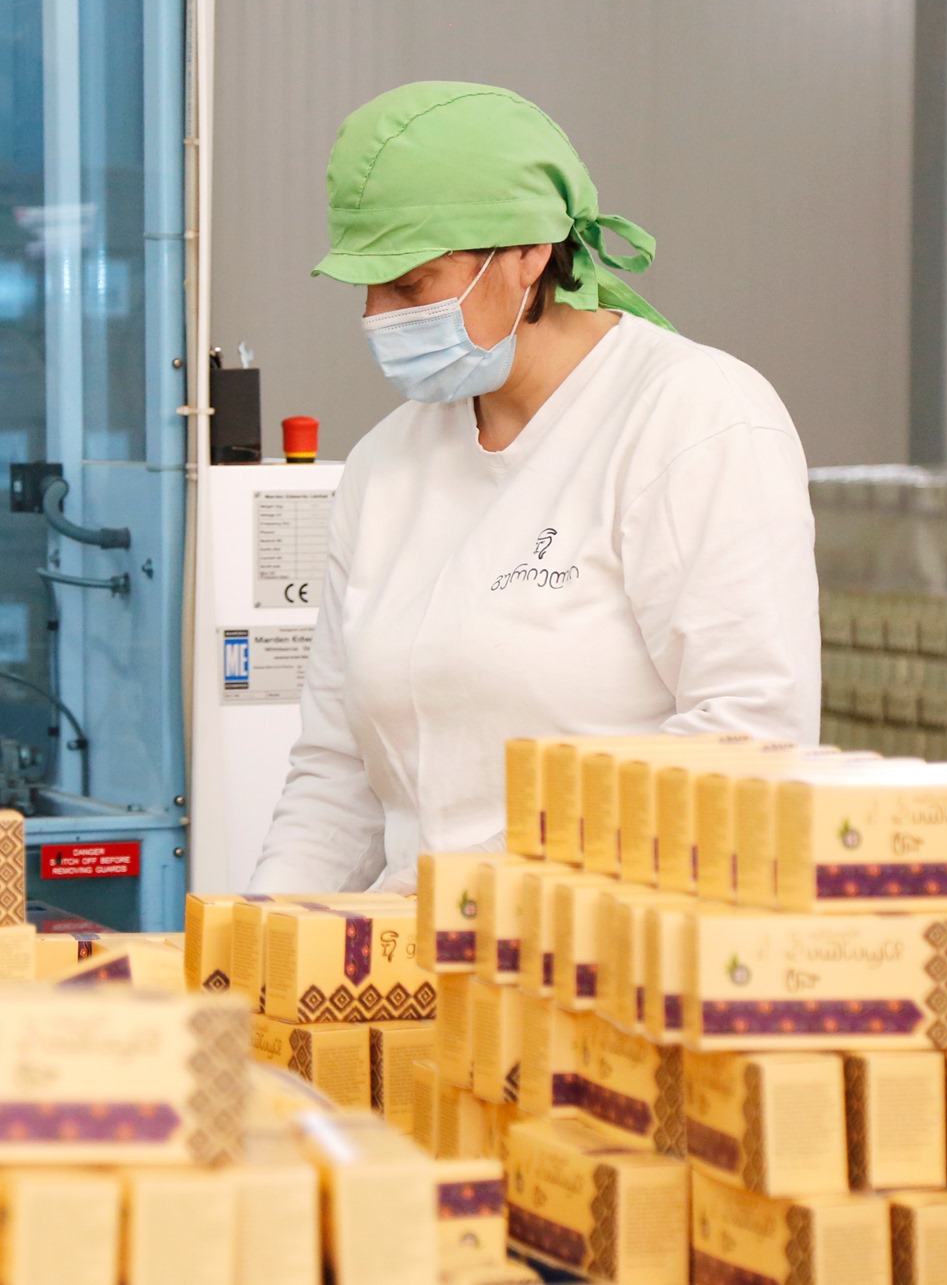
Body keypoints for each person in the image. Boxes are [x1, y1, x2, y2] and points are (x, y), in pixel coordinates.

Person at [248, 82, 820, 893]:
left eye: (410, 285)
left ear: (529, 253)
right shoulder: (385, 464)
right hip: (420, 950)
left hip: (604, 946)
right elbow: (336, 776)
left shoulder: (692, 418)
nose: (378, 317)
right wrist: (261, 939)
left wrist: (480, 893)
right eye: (365, 288)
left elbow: (750, 738)